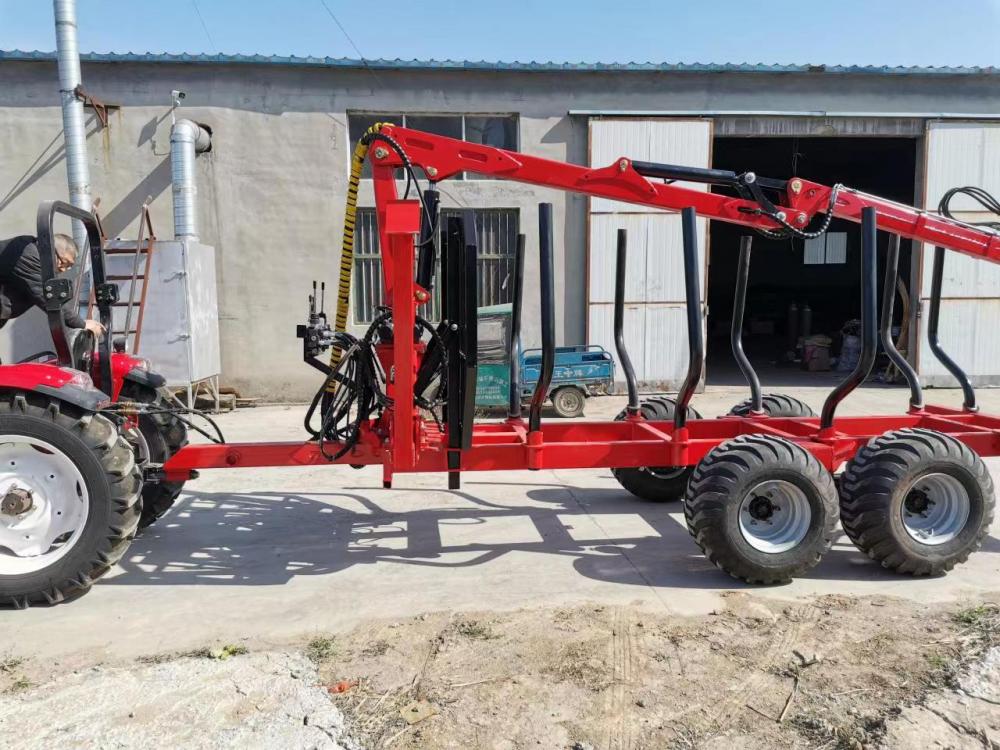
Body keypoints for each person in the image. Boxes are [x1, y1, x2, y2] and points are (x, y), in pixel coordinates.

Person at [0, 232, 105, 336]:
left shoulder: (31, 252)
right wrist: (82, 324)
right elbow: (49, 297)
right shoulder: (26, 255)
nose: (64, 269)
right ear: (51, 250)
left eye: (69, 266)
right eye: (64, 262)